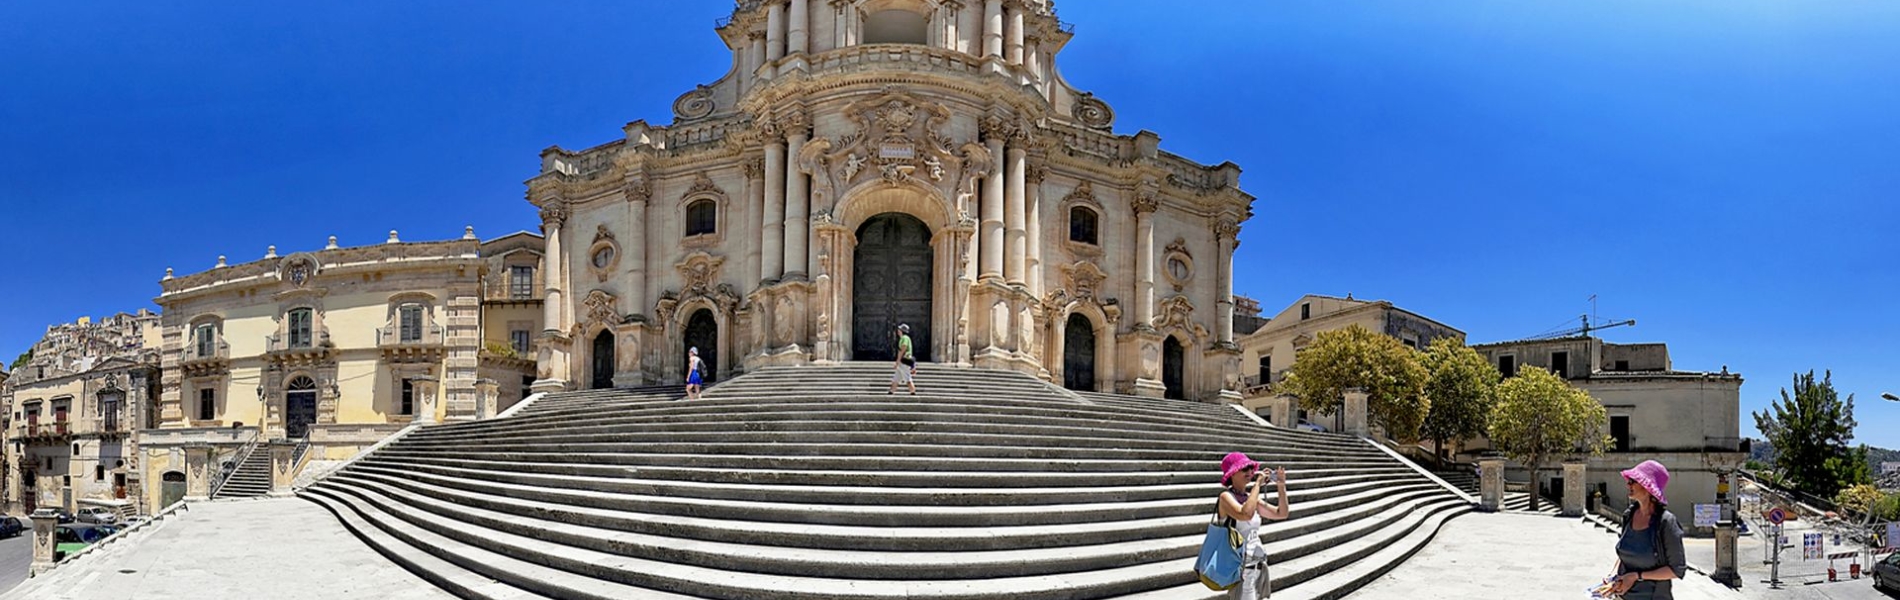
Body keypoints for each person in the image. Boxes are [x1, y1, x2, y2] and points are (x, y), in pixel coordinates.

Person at [1606, 459, 1687, 600]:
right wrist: (1613, 575)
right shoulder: (1629, 515)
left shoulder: (1666, 522)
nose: (1628, 484)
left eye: (1633, 481)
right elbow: (1625, 554)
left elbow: (1676, 570)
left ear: (1647, 487)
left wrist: (1636, 576)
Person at [1217, 452, 1290, 599]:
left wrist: (1281, 486)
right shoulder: (1225, 497)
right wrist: (1257, 485)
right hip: (1241, 569)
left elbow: (1281, 513)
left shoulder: (1251, 499)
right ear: (1232, 473)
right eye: (1245, 469)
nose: (1250, 472)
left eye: (1251, 468)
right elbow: (1245, 514)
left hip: (1259, 566)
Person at [888, 323, 916, 396]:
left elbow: (903, 349)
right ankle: (891, 391)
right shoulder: (904, 338)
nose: (898, 331)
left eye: (899, 329)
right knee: (896, 377)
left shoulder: (904, 338)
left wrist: (898, 361)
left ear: (902, 331)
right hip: (903, 361)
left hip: (904, 361)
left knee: (907, 378)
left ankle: (913, 391)